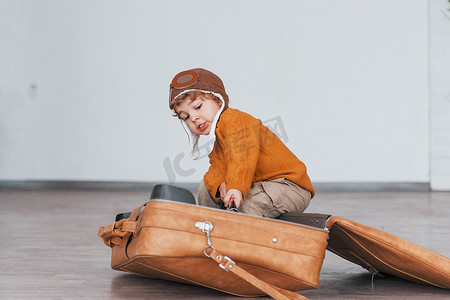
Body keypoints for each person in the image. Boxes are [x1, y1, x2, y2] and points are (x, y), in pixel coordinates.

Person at [169, 68, 315, 218]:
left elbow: (241, 155)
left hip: (289, 187)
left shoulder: (234, 120)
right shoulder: (217, 139)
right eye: (185, 116)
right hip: (260, 186)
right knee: (206, 188)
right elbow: (217, 168)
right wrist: (221, 185)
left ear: (219, 101)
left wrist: (235, 187)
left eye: (198, 107)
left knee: (246, 205)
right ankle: (212, 230)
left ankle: (241, 236)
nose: (193, 118)